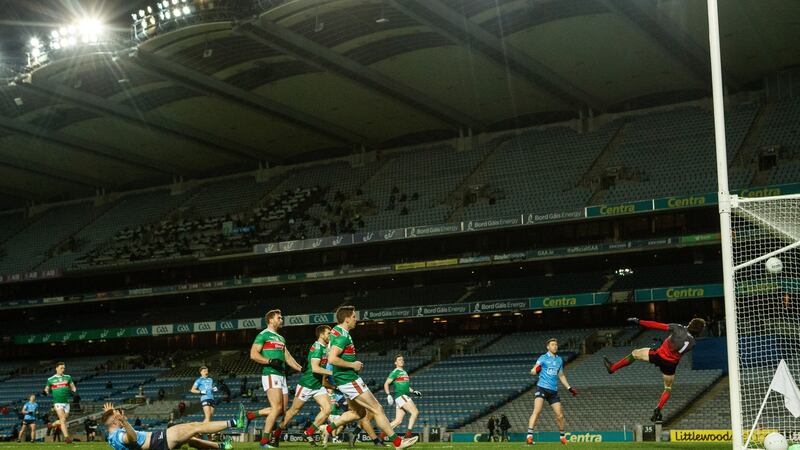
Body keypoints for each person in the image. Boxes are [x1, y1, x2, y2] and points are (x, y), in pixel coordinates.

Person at [323, 305, 417, 448]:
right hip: (349, 379)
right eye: (354, 317)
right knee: (377, 409)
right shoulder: (342, 336)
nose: (356, 319)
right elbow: (332, 359)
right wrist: (353, 365)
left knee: (358, 413)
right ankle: (398, 443)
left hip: (344, 379)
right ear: (347, 319)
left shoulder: (336, 331)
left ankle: (327, 429)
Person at [604, 317, 706, 423]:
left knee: (635, 354)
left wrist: (640, 321)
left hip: (658, 356)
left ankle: (613, 368)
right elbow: (681, 345)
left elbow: (656, 325)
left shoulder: (678, 328)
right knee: (668, 388)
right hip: (670, 365)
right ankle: (658, 409)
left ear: (690, 323)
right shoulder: (693, 343)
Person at [261, 325, 333, 445]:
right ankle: (277, 433)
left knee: (327, 409)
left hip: (317, 386)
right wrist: (333, 373)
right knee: (293, 411)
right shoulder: (317, 347)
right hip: (306, 385)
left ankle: (309, 432)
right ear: (321, 335)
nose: (330, 335)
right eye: (328, 333)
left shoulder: (325, 347)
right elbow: (315, 368)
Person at [247, 309, 302, 448]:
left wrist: (302, 369)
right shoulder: (263, 335)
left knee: (282, 410)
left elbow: (288, 357)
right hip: (271, 373)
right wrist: (269, 361)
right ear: (271, 320)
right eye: (279, 317)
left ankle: (252, 415)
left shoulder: (281, 338)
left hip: (282, 376)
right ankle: (264, 441)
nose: (281, 320)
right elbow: (253, 354)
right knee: (276, 408)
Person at [101, 402, 242, 450]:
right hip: (160, 440)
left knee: (191, 440)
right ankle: (235, 422)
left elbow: (111, 424)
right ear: (115, 422)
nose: (121, 415)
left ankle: (222, 446)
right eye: (118, 415)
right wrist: (125, 422)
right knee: (195, 426)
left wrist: (110, 414)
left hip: (158, 443)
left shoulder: (111, 436)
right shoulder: (120, 435)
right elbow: (132, 438)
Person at [526, 338, 577, 446]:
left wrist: (569, 388)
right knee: (537, 411)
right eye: (553, 345)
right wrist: (534, 371)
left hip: (553, 391)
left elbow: (561, 375)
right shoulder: (543, 358)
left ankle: (562, 437)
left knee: (560, 416)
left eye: (556, 345)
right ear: (548, 347)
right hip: (542, 388)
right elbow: (533, 370)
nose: (555, 346)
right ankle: (529, 436)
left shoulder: (559, 360)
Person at [384, 355, 421, 438]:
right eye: (399, 360)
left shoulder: (404, 372)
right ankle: (408, 435)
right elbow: (386, 383)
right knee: (415, 412)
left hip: (402, 397)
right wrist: (388, 394)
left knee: (398, 421)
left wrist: (414, 391)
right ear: (395, 362)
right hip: (401, 396)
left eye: (402, 360)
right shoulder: (395, 372)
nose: (401, 361)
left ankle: (380, 436)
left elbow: (406, 386)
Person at [44, 362, 77, 444]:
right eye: (61, 368)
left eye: (64, 368)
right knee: (62, 419)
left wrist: (74, 391)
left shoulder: (68, 377)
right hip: (57, 402)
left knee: (64, 420)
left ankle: (51, 425)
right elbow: (47, 389)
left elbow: (73, 387)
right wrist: (45, 392)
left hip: (66, 402)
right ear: (56, 368)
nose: (63, 369)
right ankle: (67, 438)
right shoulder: (50, 379)